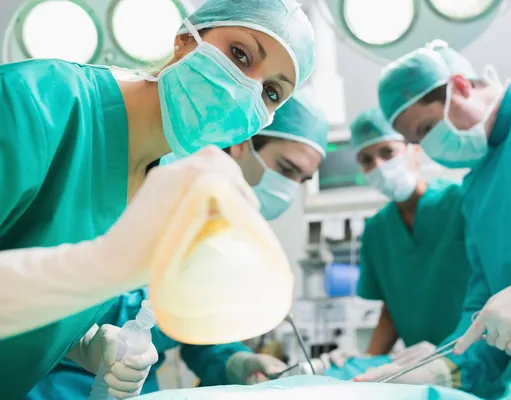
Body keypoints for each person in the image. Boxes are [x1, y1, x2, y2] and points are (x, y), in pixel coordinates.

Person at [0, 0, 316, 397]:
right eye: (240, 54)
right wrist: (97, 266)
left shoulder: (168, 181)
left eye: (272, 91)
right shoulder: (31, 103)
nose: (248, 88)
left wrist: (83, 344)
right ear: (185, 39)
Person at [27, 93, 329, 398]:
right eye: (287, 168)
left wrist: (237, 361)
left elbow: (195, 326)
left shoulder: (220, 228)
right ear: (242, 144)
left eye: (302, 180)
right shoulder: (148, 186)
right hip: (46, 384)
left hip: (134, 387)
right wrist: (89, 344)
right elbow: (46, 296)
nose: (290, 188)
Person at [357, 40, 511, 393]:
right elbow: (482, 309)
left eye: (425, 129)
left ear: (461, 85)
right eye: (417, 140)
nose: (427, 147)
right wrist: (445, 367)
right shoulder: (475, 190)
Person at [320, 108, 470, 385]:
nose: (377, 166)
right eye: (366, 160)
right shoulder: (377, 229)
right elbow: (392, 309)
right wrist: (367, 361)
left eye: (387, 153)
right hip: (422, 369)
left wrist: (457, 350)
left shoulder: (461, 202)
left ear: (414, 150)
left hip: (473, 356)